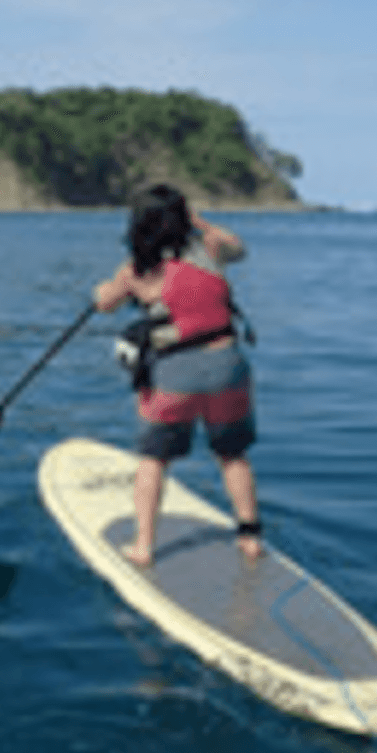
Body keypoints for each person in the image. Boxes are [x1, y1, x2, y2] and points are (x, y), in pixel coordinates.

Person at [93, 184, 263, 564]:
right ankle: (250, 539)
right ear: (184, 218)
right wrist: (200, 224)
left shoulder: (138, 270)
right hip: (228, 367)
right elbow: (239, 247)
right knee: (233, 456)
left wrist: (103, 290)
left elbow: (104, 303)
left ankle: (143, 547)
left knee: (153, 460)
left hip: (175, 376)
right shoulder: (211, 250)